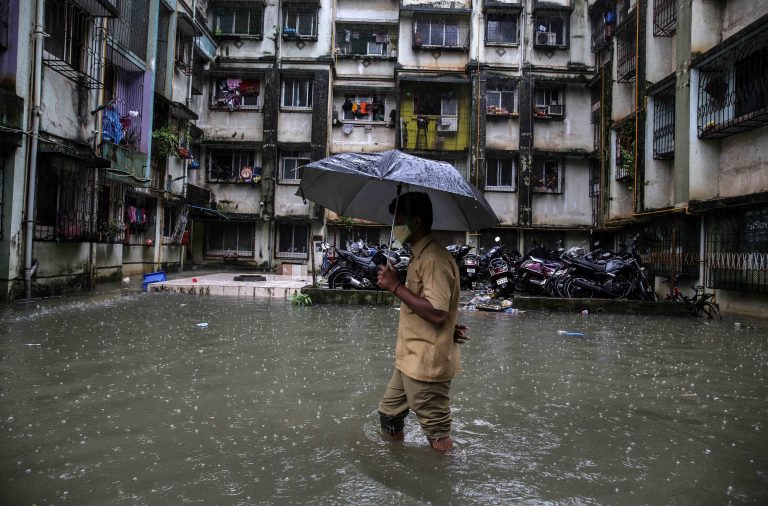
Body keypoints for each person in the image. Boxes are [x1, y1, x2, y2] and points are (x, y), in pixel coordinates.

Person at [376, 192, 469, 452]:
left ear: (415, 223)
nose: (396, 228)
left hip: (425, 364)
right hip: (409, 358)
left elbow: (438, 313)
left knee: (436, 432)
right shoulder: (419, 255)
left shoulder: (434, 259)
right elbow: (438, 309)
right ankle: (397, 460)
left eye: (400, 220)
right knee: (389, 414)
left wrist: (395, 286)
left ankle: (442, 479)